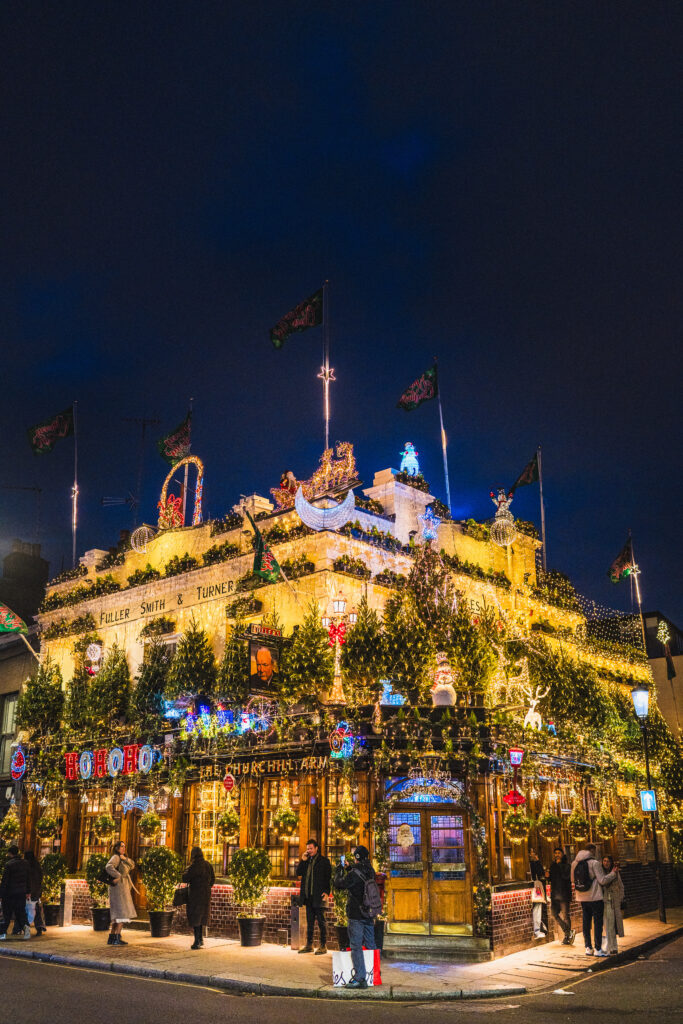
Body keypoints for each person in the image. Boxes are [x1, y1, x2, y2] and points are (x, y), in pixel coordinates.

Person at [333, 845, 378, 990]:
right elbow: (359, 875)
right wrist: (349, 867)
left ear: (357, 857)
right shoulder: (371, 871)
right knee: (371, 944)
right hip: (368, 913)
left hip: (356, 915)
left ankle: (360, 978)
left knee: (356, 946)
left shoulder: (353, 875)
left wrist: (339, 870)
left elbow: (340, 884)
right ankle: (374, 975)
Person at [571, 842, 617, 957]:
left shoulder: (574, 863)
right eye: (595, 851)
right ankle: (598, 949)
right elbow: (602, 880)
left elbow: (572, 880)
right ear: (592, 851)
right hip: (595, 897)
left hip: (582, 897)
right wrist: (612, 874)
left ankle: (588, 948)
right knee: (597, 923)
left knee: (586, 923)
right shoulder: (595, 863)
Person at [296, 838, 332, 954]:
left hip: (319, 896)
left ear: (316, 848)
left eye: (311, 848)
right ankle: (309, 945)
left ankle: (323, 945)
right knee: (310, 922)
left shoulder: (324, 861)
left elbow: (328, 878)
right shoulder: (306, 861)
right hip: (308, 897)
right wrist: (302, 860)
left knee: (322, 922)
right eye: (307, 849)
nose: (309, 850)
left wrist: (327, 892)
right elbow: (298, 873)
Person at [182, 846, 215, 950]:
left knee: (195, 916)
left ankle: (197, 941)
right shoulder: (208, 865)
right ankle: (200, 939)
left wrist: (185, 871)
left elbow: (185, 878)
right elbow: (213, 879)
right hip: (206, 894)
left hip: (195, 895)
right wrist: (207, 887)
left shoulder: (194, 866)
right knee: (201, 916)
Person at [106, 840, 137, 945]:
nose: (124, 848)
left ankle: (112, 937)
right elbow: (108, 867)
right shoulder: (115, 857)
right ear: (117, 848)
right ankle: (117, 938)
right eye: (122, 847)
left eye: (124, 846)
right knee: (121, 914)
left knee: (118, 915)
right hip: (118, 889)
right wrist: (118, 875)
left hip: (123, 889)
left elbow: (133, 865)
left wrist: (125, 858)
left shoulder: (122, 858)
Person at [0, 845, 31, 940]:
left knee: (6, 915)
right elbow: (28, 879)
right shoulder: (26, 863)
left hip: (9, 894)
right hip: (21, 893)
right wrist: (28, 891)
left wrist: (1, 895)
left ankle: (2, 934)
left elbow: (5, 881)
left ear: (10, 853)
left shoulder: (9, 865)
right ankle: (27, 931)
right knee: (21, 913)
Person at [546, 847, 575, 945]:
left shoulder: (567, 865)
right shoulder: (553, 865)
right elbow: (551, 879)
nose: (557, 855)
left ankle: (567, 938)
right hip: (555, 894)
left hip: (564, 893)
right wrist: (547, 876)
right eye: (555, 853)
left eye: (559, 853)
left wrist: (558, 866)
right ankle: (568, 932)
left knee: (566, 915)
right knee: (554, 914)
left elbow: (565, 876)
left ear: (562, 854)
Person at [601, 855, 625, 955]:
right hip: (604, 902)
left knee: (611, 926)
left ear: (611, 863)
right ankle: (612, 947)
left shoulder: (615, 873)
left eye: (608, 861)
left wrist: (619, 899)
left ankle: (613, 947)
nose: (606, 863)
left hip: (612, 901)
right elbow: (603, 882)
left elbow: (621, 886)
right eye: (604, 861)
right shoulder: (603, 873)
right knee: (608, 926)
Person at [24, 851, 46, 936]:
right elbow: (40, 879)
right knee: (36, 910)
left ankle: (26, 930)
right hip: (36, 891)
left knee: (25, 911)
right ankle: (39, 928)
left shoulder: (26, 866)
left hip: (27, 892)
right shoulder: (37, 866)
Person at [529, 848, 547, 939]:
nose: (533, 854)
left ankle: (538, 929)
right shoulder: (533, 863)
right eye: (532, 852)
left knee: (537, 907)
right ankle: (537, 930)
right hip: (535, 888)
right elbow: (540, 873)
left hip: (534, 887)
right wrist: (537, 861)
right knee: (537, 907)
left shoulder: (532, 863)